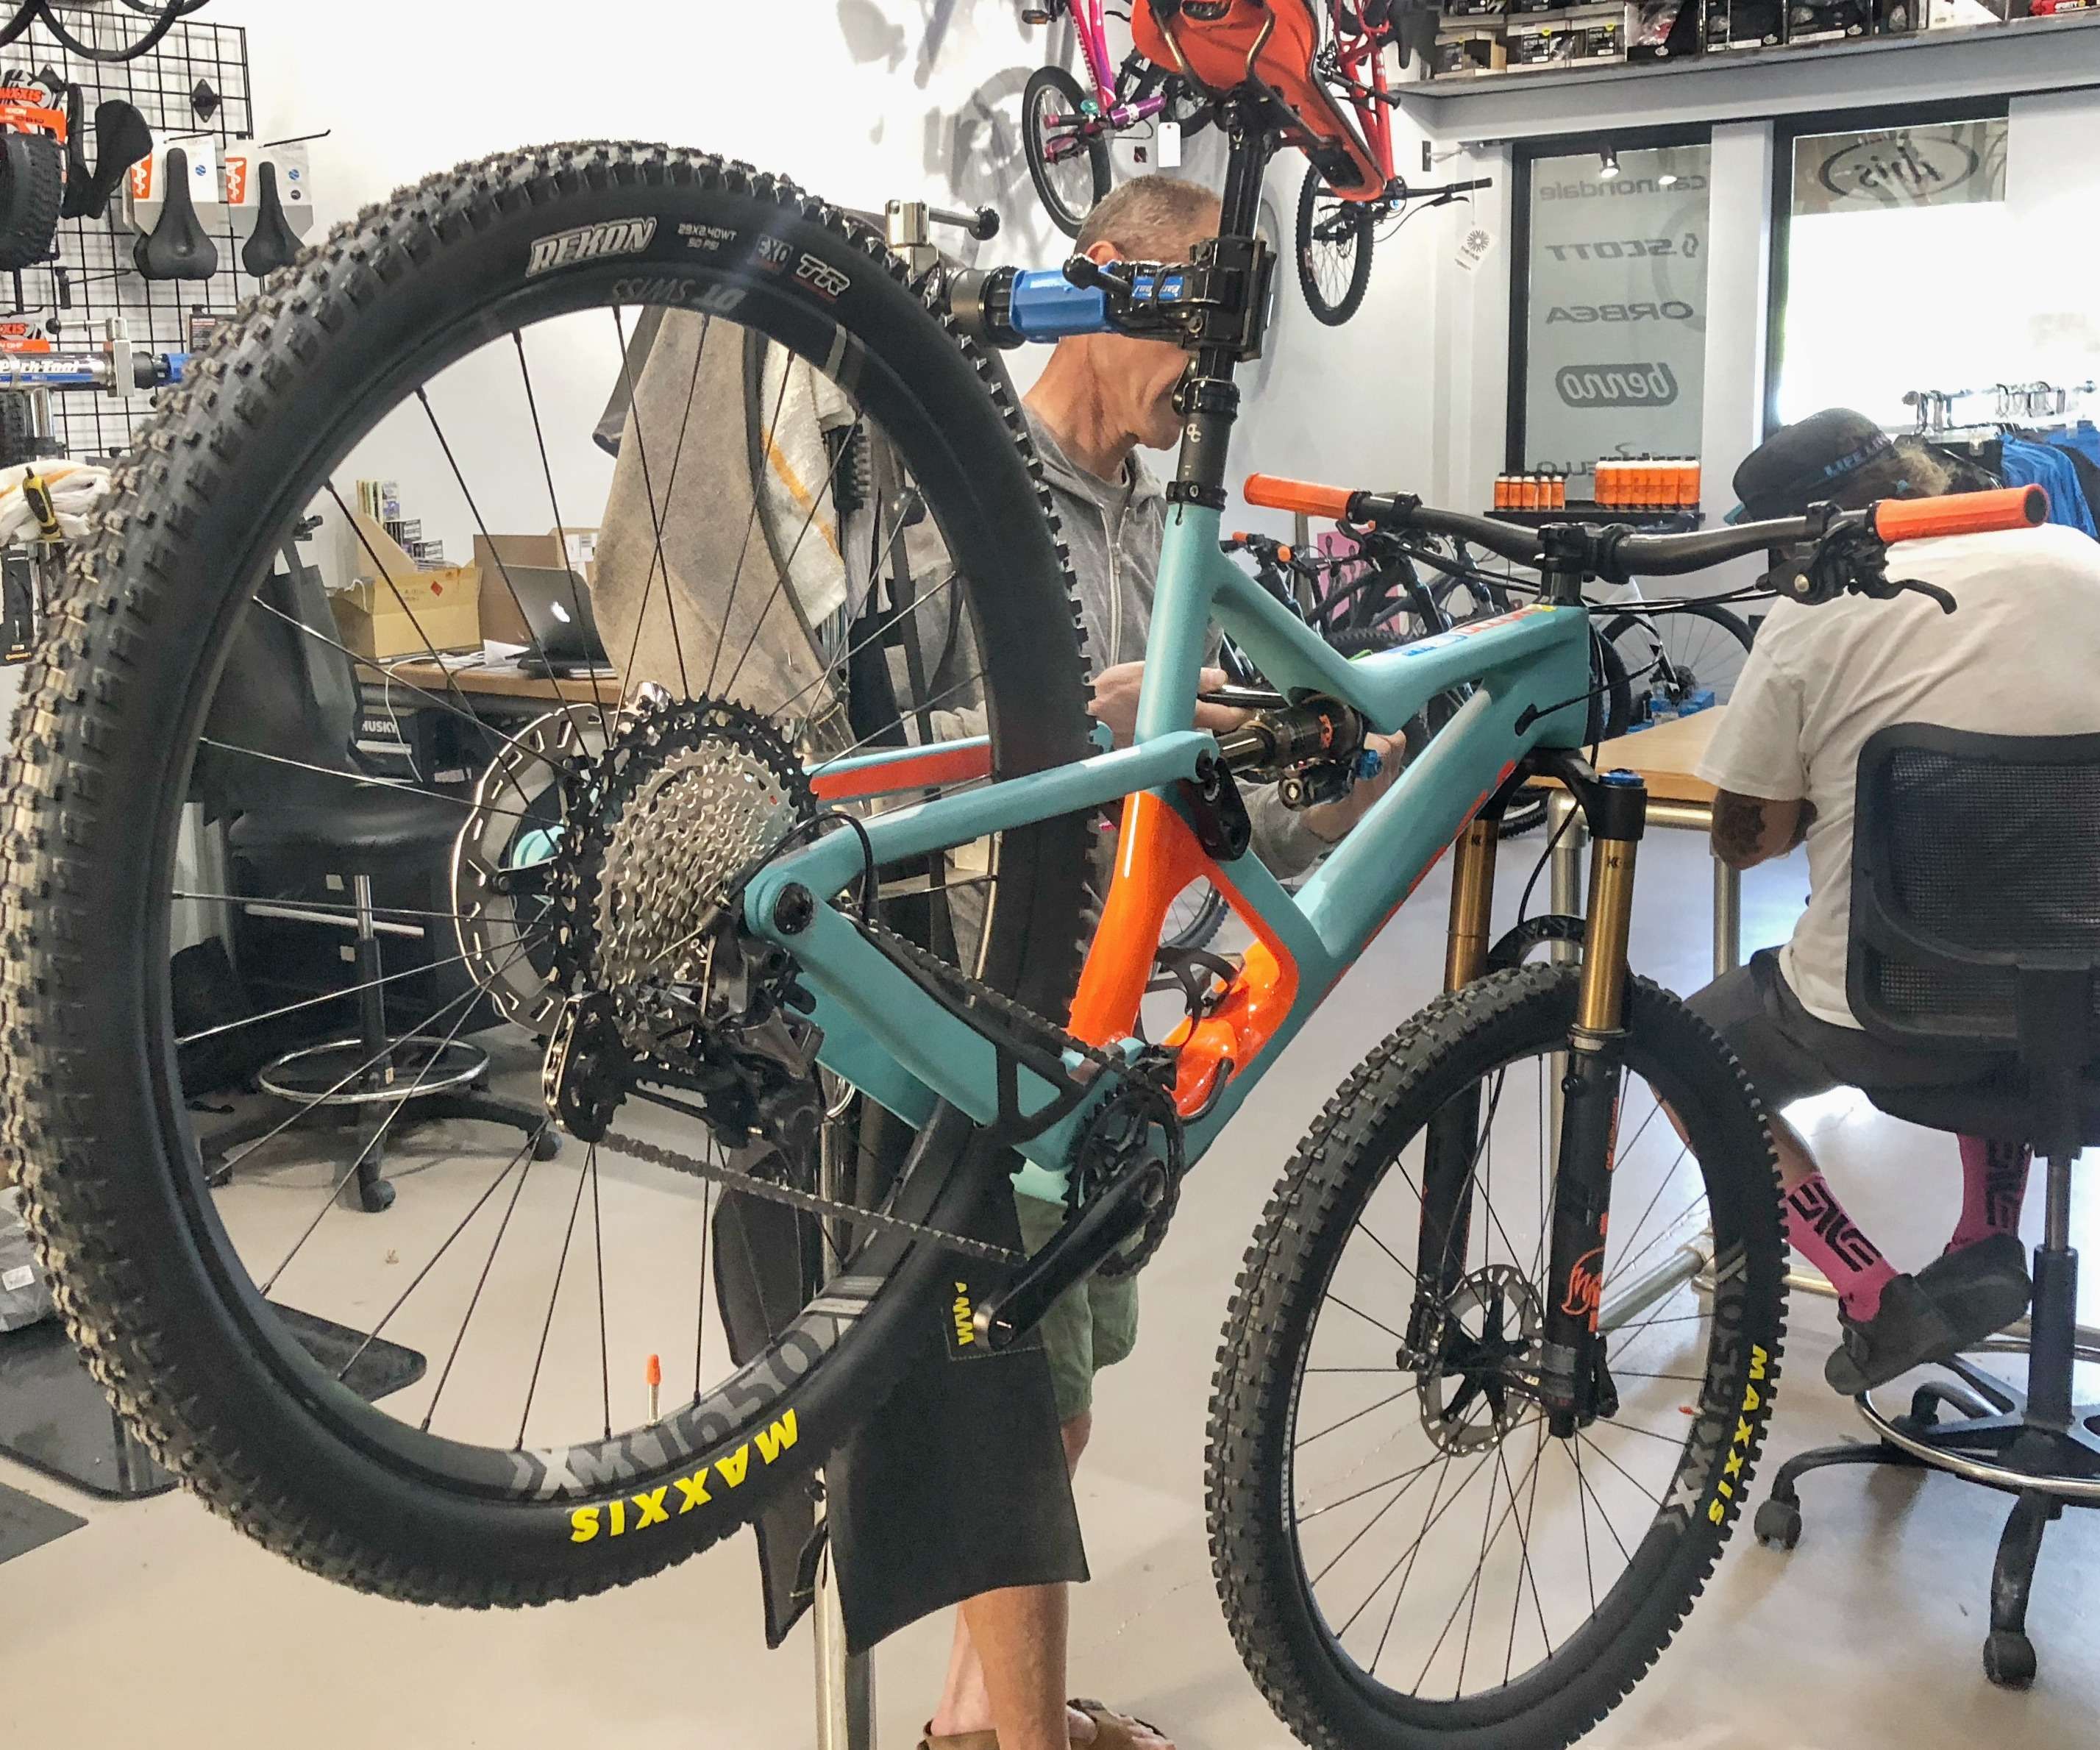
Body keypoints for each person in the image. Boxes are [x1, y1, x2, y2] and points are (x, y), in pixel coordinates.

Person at [919, 176, 1400, 1750]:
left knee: (1061, 1385)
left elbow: (1186, 785)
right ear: (1103, 280)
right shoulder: (963, 500)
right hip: (989, 994)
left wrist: (1320, 768)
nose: (1217, 367)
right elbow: (878, 770)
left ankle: (979, 1718)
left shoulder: (1155, 513)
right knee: (1021, 1385)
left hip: (1121, 1011)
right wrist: (1082, 736)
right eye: (1195, 315)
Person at [1684, 407, 2100, 1395]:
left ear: (1799, 533)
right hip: (2086, 1013)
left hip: (1888, 1014)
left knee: (1690, 1051)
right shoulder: (2081, 559)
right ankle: (1987, 1241)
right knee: (2007, 929)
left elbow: (1751, 845)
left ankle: (1873, 1295)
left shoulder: (1808, 618)